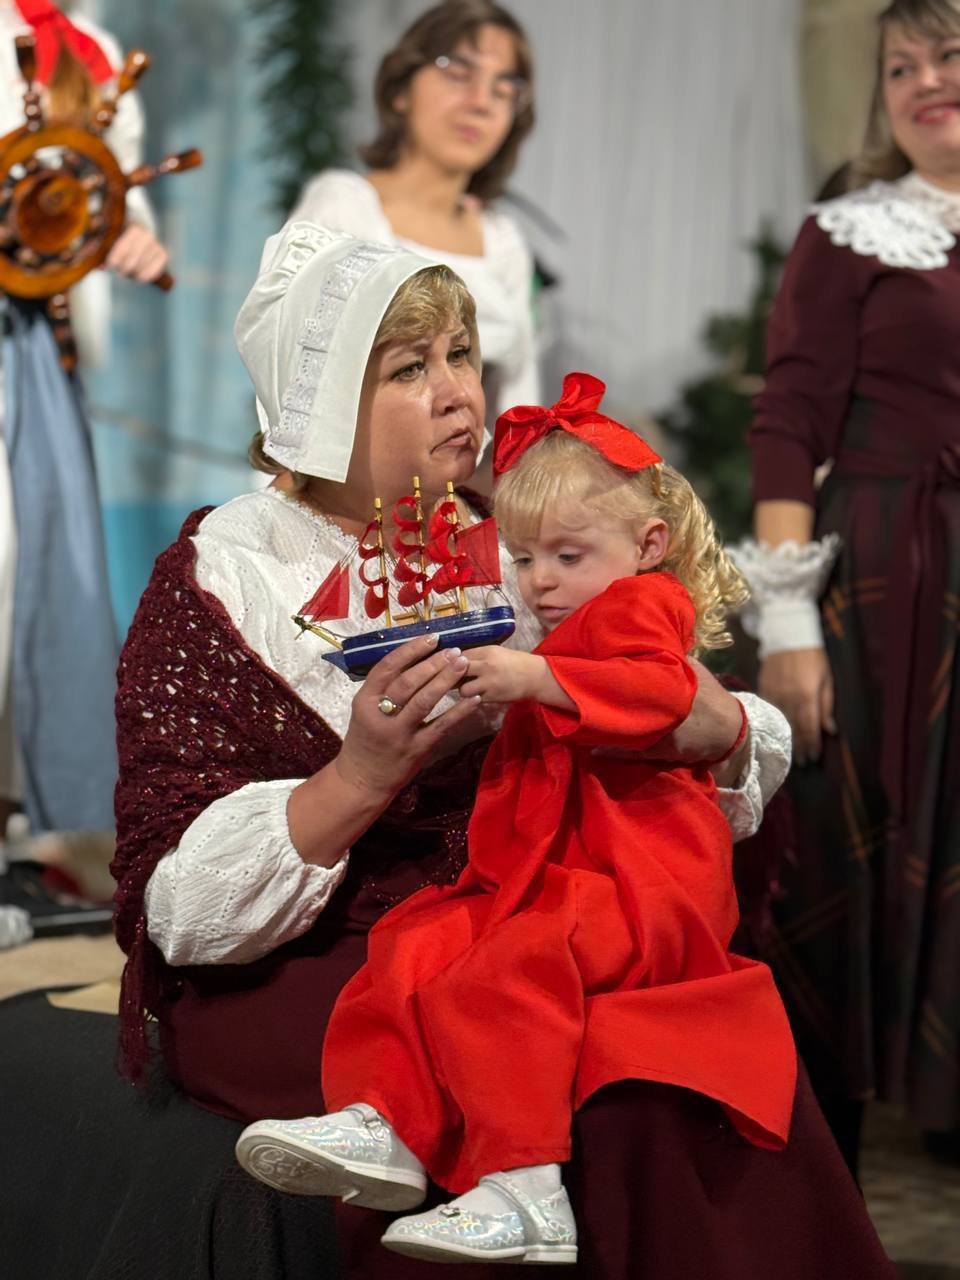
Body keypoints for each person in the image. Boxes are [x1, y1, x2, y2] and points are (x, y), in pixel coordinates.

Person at [111, 223, 893, 1278]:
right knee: (570, 1084)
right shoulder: (226, 574)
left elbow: (665, 687)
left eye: (463, 355)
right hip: (324, 946)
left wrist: (723, 731)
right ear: (321, 396)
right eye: (409, 368)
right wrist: (364, 774)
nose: (457, 393)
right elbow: (178, 905)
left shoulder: (523, 542)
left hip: (531, 905)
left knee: (674, 1065)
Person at [233, 374, 798, 1267]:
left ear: (649, 545)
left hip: (640, 889)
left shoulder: (643, 607)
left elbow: (663, 693)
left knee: (507, 968)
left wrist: (536, 678)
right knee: (413, 941)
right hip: (556, 877)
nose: (541, 581)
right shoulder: (569, 618)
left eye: (567, 556)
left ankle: (528, 1187)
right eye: (527, 558)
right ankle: (389, 1124)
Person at [734, 0, 960, 1176]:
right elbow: (789, 419)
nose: (923, 81)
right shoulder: (851, 232)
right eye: (899, 65)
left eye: (949, 54)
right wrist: (788, 622)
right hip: (879, 573)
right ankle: (817, 1177)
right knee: (837, 860)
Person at [0, 0, 169, 854]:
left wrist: (129, 235)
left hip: (30, 350)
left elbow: (108, 192)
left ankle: (18, 833)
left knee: (33, 573)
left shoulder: (88, 55)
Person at [291, 0, 539, 484]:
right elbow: (294, 388)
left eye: (504, 87)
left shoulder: (504, 242)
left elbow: (522, 405)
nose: (481, 102)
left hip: (470, 507)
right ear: (401, 88)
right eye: (458, 72)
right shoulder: (343, 209)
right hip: (344, 502)